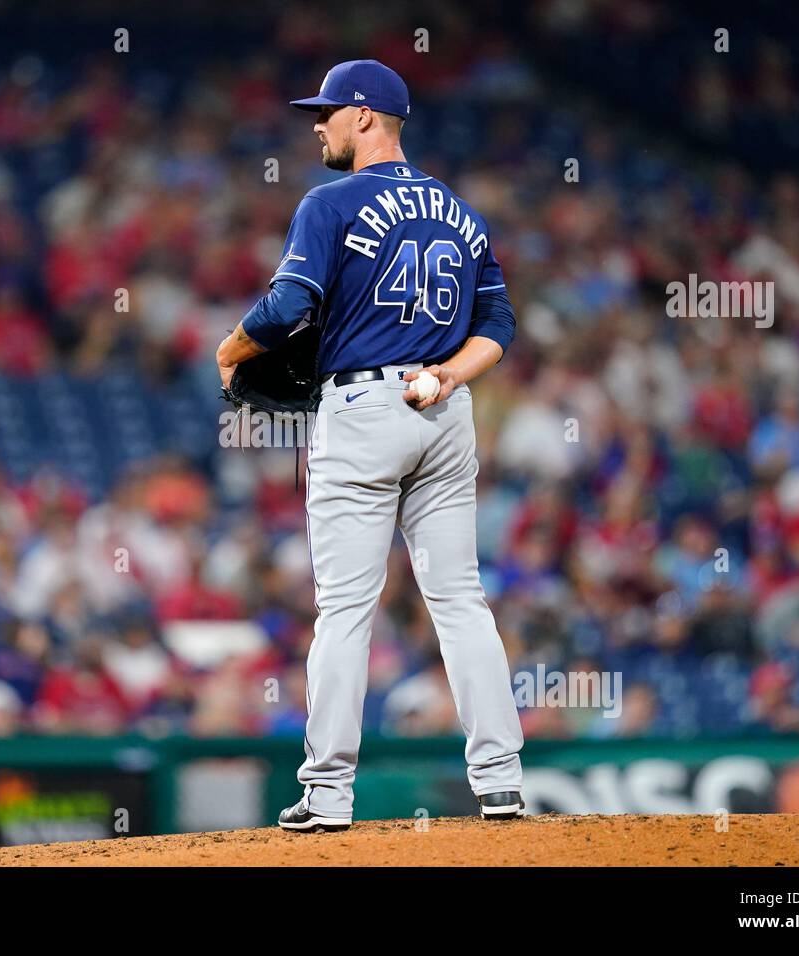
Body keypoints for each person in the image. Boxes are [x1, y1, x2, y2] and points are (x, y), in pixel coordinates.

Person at [215, 60, 524, 831]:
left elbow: (290, 303)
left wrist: (230, 349)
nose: (316, 125)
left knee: (346, 611)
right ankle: (502, 781)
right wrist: (447, 377)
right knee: (459, 601)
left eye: (325, 112)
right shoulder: (459, 210)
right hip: (444, 409)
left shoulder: (330, 202)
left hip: (359, 408)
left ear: (363, 116)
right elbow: (499, 327)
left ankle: (326, 794)